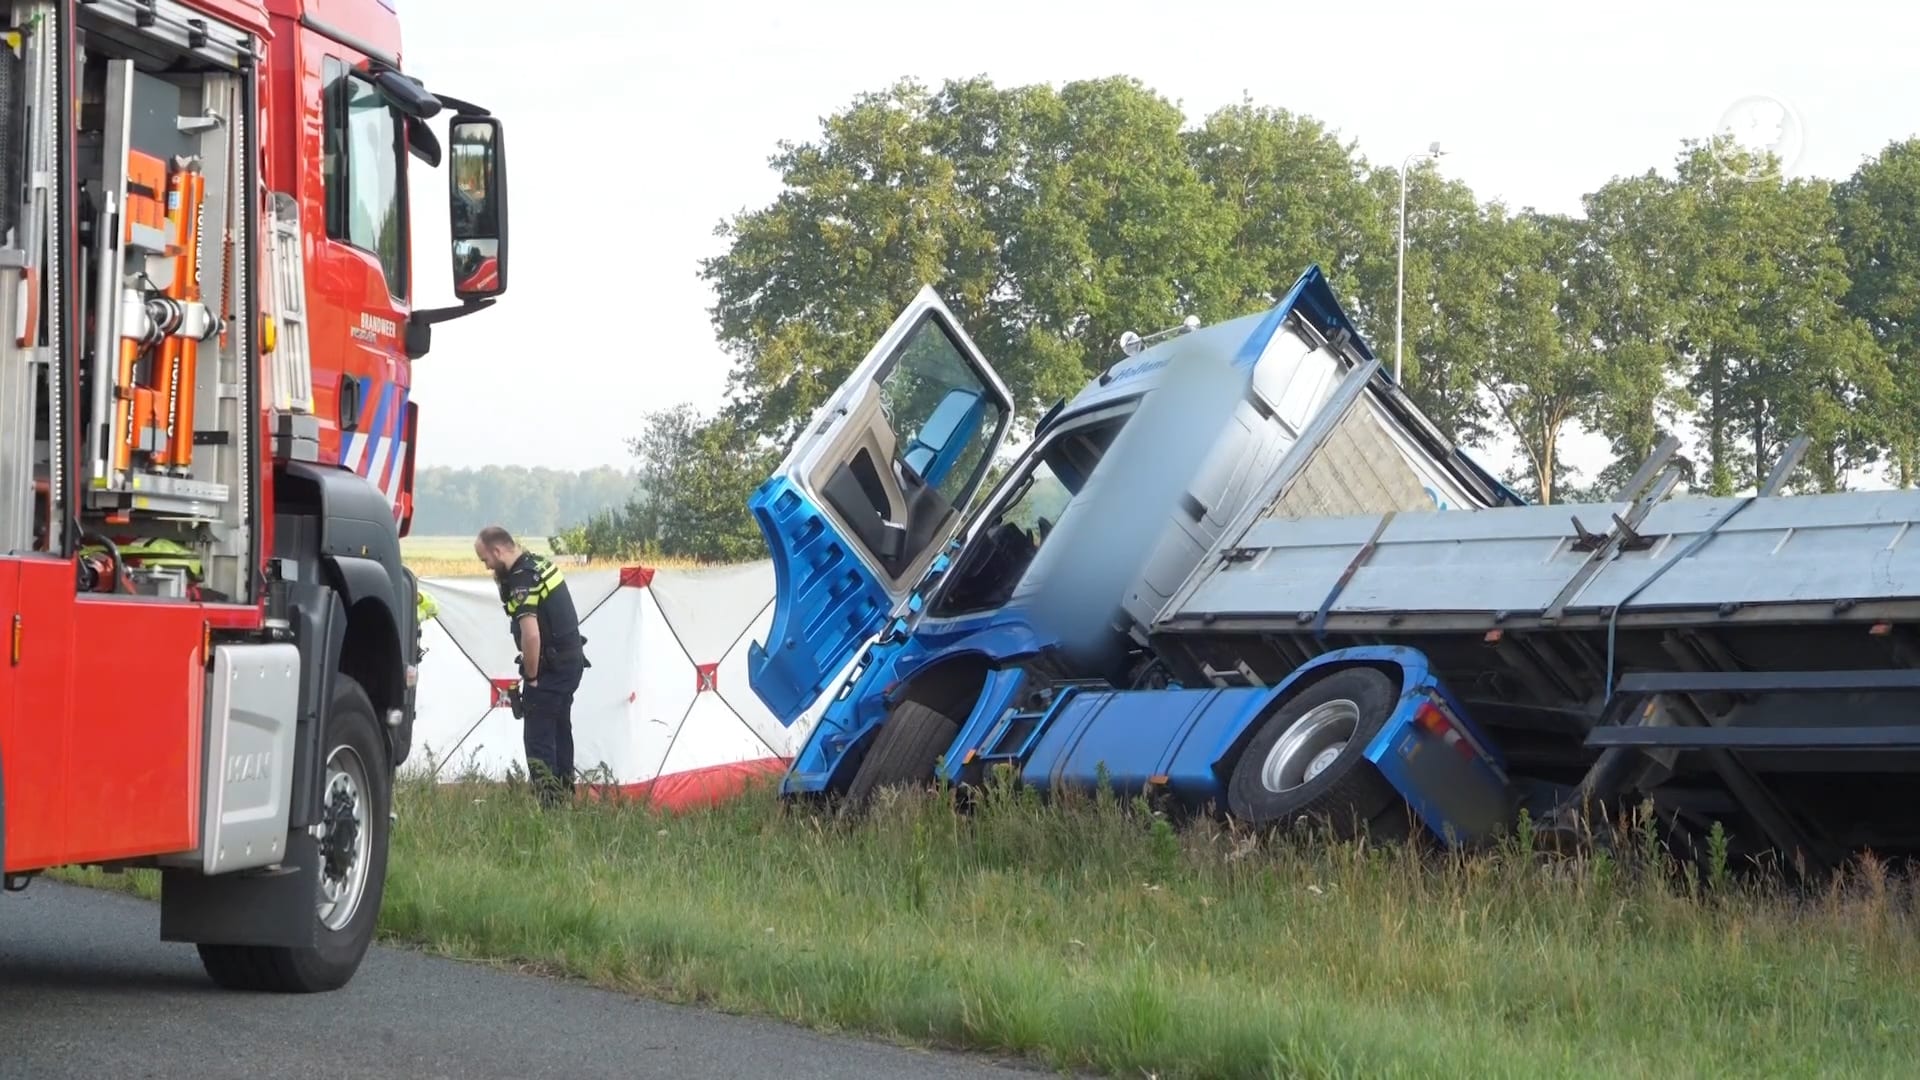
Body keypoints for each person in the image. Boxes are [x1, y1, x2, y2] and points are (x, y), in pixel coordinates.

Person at [474, 526, 589, 804]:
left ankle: (549, 807)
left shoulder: (522, 579)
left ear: (498, 550)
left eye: (486, 559)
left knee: (538, 740)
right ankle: (564, 797)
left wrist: (532, 676)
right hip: (570, 663)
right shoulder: (539, 564)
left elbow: (531, 634)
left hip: (550, 669)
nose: (487, 567)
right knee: (561, 730)